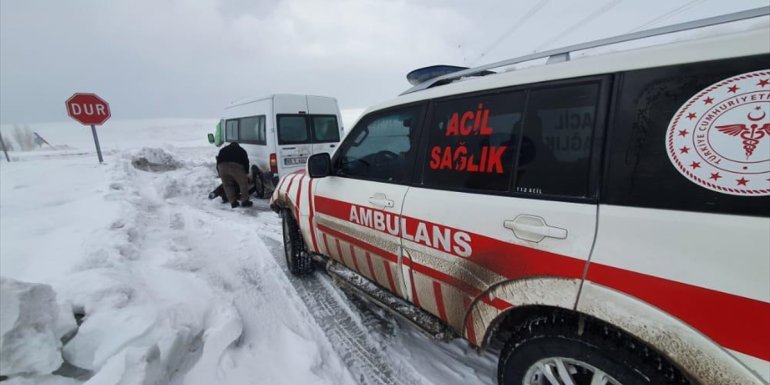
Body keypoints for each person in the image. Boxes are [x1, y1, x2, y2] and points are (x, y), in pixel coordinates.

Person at [216, 142, 253, 208]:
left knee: (227, 185)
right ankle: (245, 201)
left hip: (222, 167)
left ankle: (233, 202)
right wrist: (246, 173)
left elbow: (218, 161)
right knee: (243, 183)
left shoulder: (223, 150)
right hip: (235, 167)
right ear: (238, 145)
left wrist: (219, 173)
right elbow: (246, 162)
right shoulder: (241, 150)